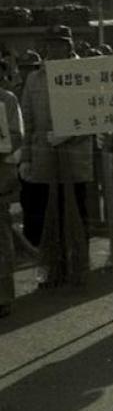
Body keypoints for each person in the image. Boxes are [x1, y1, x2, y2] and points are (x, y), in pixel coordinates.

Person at [19, 25, 94, 288]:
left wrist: (68, 134)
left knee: (77, 214)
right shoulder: (35, 78)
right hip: (44, 158)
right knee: (48, 216)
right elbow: (27, 120)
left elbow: (94, 115)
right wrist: (26, 157)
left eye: (61, 43)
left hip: (75, 157)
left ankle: (79, 269)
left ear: (70, 45)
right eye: (51, 43)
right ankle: (54, 269)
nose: (55, 48)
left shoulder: (84, 73)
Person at [0, 88, 23, 317]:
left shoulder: (6, 99)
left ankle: (4, 296)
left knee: (1, 236)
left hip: (0, 171)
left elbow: (16, 135)